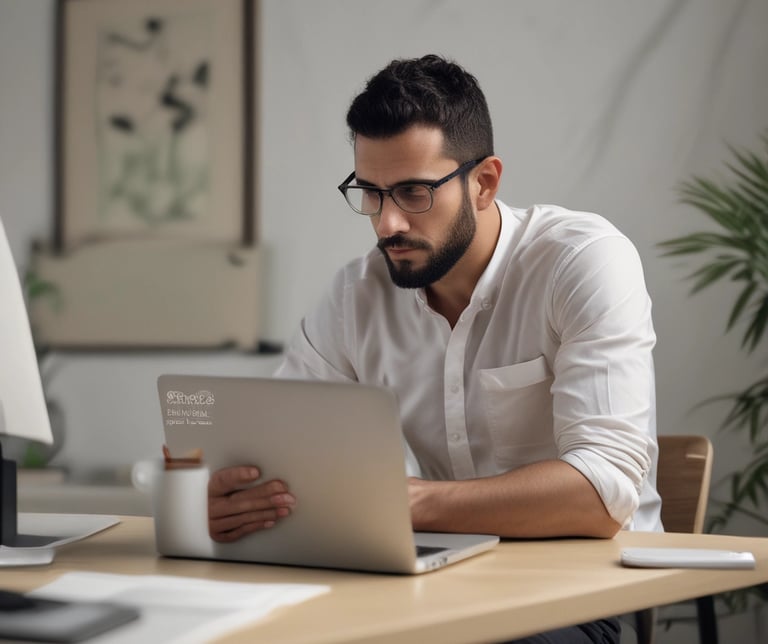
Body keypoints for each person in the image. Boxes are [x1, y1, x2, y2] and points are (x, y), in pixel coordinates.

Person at [207, 54, 661, 643]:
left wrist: (405, 504)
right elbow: (281, 449)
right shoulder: (355, 294)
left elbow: (602, 494)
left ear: (485, 182)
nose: (387, 222)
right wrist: (234, 498)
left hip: (583, 590)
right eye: (369, 192)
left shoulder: (581, 261)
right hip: (431, 584)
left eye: (414, 191)